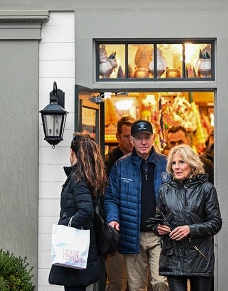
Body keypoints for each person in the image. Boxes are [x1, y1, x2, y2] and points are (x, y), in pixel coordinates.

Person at [105, 120, 169, 291]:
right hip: (132, 233)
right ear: (131, 141)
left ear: (153, 138)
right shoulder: (120, 166)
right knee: (136, 287)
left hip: (159, 235)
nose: (143, 142)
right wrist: (113, 218)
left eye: (147, 137)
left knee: (160, 282)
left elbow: (177, 197)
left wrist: (170, 223)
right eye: (139, 138)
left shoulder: (167, 163)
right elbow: (111, 197)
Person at [154, 144, 222, 291]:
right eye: (173, 163)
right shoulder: (164, 190)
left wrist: (190, 229)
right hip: (173, 257)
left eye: (181, 162)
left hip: (199, 256)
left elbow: (216, 223)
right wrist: (158, 228)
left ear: (192, 164)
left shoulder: (207, 189)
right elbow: (157, 219)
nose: (176, 167)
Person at [49, 133, 105, 291]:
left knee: (74, 288)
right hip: (82, 242)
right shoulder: (89, 175)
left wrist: (68, 224)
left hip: (73, 242)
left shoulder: (77, 177)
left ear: (72, 152)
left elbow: (86, 210)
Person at [102, 116, 134, 291]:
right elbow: (107, 197)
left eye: (133, 136)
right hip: (117, 230)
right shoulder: (108, 163)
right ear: (117, 136)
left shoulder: (143, 160)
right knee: (118, 281)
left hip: (138, 232)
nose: (130, 141)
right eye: (126, 136)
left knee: (140, 283)